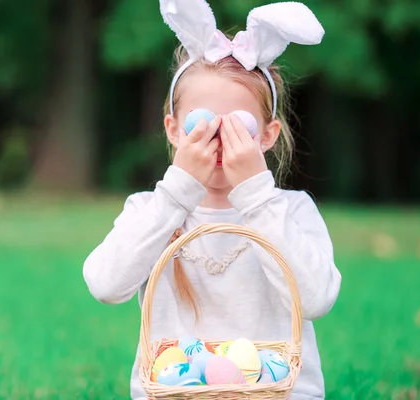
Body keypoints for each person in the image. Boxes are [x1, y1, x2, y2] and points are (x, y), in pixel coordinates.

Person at [83, 1, 341, 399]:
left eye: (241, 127)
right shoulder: (149, 211)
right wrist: (178, 190)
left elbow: (317, 299)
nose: (220, 141)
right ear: (172, 129)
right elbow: (104, 284)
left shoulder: (290, 211)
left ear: (268, 136)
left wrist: (255, 193)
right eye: (200, 124)